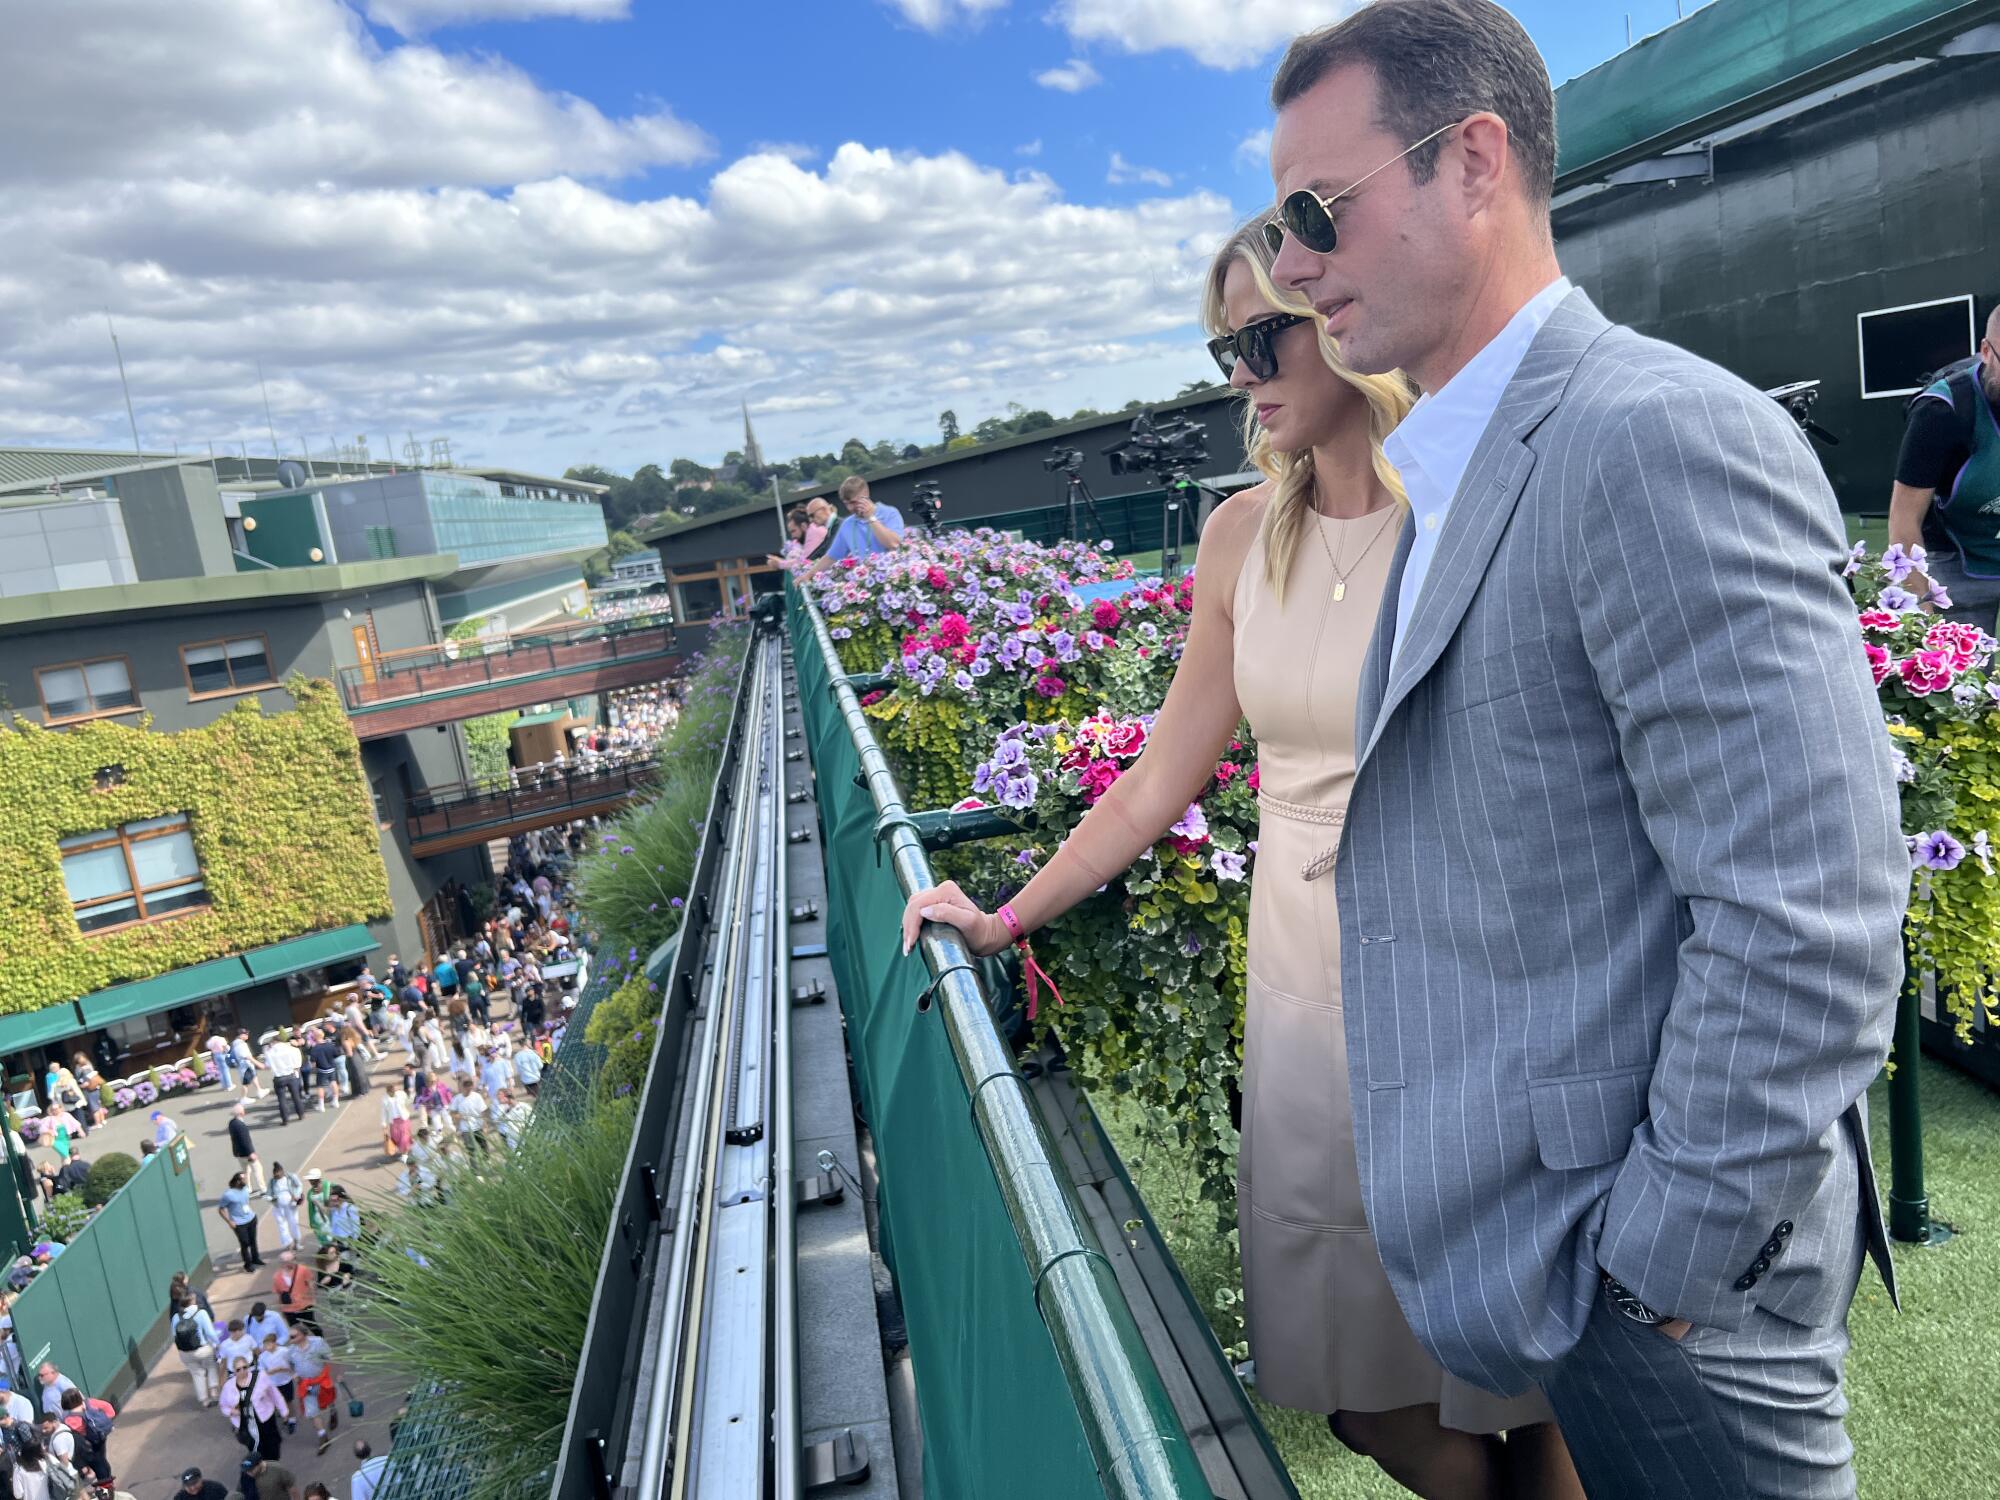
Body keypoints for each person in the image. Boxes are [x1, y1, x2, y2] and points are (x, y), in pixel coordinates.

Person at [1257, 5, 1903, 1494]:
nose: (1288, 265)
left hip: (1673, 1290)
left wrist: (1661, 1257)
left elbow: (1813, 908)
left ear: (1473, 161)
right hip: (1583, 1265)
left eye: (1313, 212)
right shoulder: (1465, 464)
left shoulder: (1654, 436)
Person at [902, 208, 1580, 1495]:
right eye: (1222, 352)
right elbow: (1162, 772)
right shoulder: (1235, 538)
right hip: (1303, 978)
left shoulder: (1468, 503)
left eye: (1262, 337)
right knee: (1357, 1385)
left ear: (1342, 316)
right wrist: (1003, 916)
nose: (1242, 378)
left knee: (1531, 1378)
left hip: (1469, 967)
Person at [1889, 302, 2000, 629]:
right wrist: (1922, 609)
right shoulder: (1941, 412)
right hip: (1955, 554)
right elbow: (1904, 520)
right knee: (1960, 671)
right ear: (1986, 350)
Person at [801, 477, 903, 579]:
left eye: (853, 502)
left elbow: (893, 544)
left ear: (866, 496)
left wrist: (871, 518)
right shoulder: (847, 524)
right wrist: (807, 576)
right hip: (866, 584)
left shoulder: (890, 513)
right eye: (846, 504)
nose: (850, 508)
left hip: (893, 579)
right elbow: (831, 557)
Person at [284, 1325, 339, 1455]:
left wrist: (337, 1374)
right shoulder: (291, 1351)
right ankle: (323, 1437)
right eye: (290, 1336)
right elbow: (290, 1365)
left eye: (293, 1336)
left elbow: (330, 1357)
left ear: (303, 1335)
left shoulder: (318, 1343)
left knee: (328, 1399)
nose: (290, 1339)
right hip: (306, 1385)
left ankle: (333, 1410)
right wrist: (295, 1375)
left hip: (322, 1380)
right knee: (312, 1412)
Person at [220, 1359, 285, 1462]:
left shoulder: (261, 1377)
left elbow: (274, 1393)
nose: (242, 1371)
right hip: (247, 1424)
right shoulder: (228, 1387)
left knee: (273, 1445)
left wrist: (283, 1410)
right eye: (238, 1369)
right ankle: (262, 1468)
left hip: (265, 1418)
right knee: (256, 1450)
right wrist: (234, 1412)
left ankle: (274, 1465)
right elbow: (223, 1406)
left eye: (245, 1367)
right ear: (234, 1371)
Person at [171, 1294, 221, 1407]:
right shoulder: (201, 1313)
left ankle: (204, 1400)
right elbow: (210, 1333)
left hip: (185, 1353)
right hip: (203, 1350)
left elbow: (174, 1336)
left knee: (197, 1373)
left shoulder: (175, 1317)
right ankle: (214, 1392)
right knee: (212, 1366)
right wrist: (217, 1344)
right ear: (192, 1301)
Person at [218, 1173, 262, 1272]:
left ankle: (256, 1259)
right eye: (244, 1179)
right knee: (245, 1243)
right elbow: (221, 1209)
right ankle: (248, 1264)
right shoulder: (228, 1195)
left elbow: (246, 1202)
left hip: (251, 1219)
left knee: (253, 1241)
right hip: (239, 1223)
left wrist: (250, 1212)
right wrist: (229, 1221)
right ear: (238, 1181)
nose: (246, 1181)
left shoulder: (246, 1189)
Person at [254, 1334, 295, 1437]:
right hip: (272, 1384)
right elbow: (261, 1372)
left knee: (288, 1401)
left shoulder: (284, 1351)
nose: (266, 1347)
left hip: (286, 1380)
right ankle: (282, 1418)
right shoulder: (263, 1357)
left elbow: (292, 1364)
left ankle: (291, 1420)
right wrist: (271, 1372)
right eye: (265, 1344)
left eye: (269, 1344)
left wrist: (284, 1369)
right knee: (274, 1402)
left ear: (274, 1343)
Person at [273, 1251, 318, 1336]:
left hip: (304, 1304)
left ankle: (321, 1341)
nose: (291, 1263)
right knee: (295, 1331)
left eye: (292, 1260)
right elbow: (279, 1293)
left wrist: (313, 1299)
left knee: (312, 1326)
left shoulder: (303, 1269)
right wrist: (281, 1308)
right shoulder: (277, 1276)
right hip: (289, 1308)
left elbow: (311, 1284)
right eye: (287, 1261)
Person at [227, 1103, 266, 1196]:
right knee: (258, 1169)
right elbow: (245, 1140)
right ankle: (263, 1188)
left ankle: (248, 1189)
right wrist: (251, 1152)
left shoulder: (232, 1123)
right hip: (246, 1153)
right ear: (241, 1113)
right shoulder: (240, 1125)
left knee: (245, 1171)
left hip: (238, 1153)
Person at [264, 1034, 305, 1124]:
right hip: (291, 1075)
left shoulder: (270, 1052)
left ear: (274, 1041)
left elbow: (267, 1065)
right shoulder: (290, 1049)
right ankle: (301, 1114)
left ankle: (285, 1119)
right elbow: (297, 1063)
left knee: (281, 1099)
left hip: (278, 1077)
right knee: (296, 1096)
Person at [268, 1165, 305, 1252]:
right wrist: (271, 1199)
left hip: (290, 1206)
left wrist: (296, 1195)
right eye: (275, 1175)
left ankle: (297, 1243)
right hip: (279, 1207)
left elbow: (299, 1186)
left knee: (294, 1224)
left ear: (282, 1172)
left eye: (278, 1175)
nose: (276, 1177)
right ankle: (288, 1245)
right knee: (282, 1226)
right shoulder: (272, 1182)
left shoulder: (290, 1178)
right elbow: (268, 1194)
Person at [231, 1032, 267, 1101]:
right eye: (245, 1034)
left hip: (243, 1064)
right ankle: (243, 1098)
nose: (247, 1035)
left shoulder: (235, 1043)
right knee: (246, 1082)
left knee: (253, 1076)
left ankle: (259, 1090)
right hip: (245, 1064)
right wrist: (258, 1064)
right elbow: (247, 1056)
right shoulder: (241, 1044)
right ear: (241, 1035)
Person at [379, 1087, 412, 1159]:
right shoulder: (385, 1100)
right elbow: (383, 1112)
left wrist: (403, 1092)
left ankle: (405, 1154)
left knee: (404, 1136)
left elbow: (407, 1099)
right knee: (396, 1137)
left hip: (403, 1119)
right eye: (390, 1092)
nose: (392, 1093)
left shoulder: (400, 1095)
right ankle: (404, 1151)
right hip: (393, 1122)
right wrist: (384, 1123)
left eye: (393, 1091)